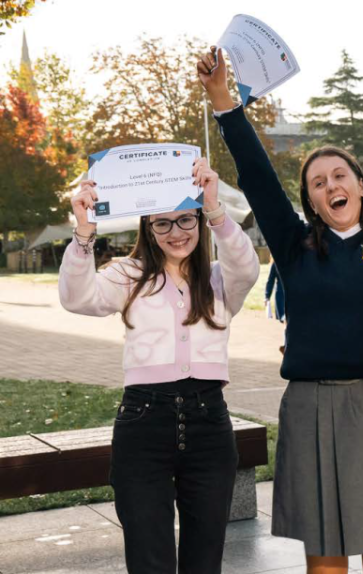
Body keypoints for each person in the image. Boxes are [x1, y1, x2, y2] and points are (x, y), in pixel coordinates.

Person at [198, 45, 363, 573]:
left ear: (359, 184)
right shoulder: (296, 246)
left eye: (340, 175)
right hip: (311, 412)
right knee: (326, 560)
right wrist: (222, 99)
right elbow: (258, 178)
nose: (331, 185)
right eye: (318, 182)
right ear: (310, 200)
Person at [59, 158, 259, 573]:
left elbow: (248, 265)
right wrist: (83, 233)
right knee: (150, 557)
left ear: (199, 221)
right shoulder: (129, 275)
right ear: (147, 229)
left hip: (209, 422)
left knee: (204, 559)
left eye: (186, 219)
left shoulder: (221, 279)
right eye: (162, 223)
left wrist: (215, 210)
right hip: (143, 423)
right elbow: (76, 297)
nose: (176, 232)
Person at [264, 256, 287, 353]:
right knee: (287, 322)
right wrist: (267, 296)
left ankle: (287, 346)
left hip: (291, 297)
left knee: (288, 322)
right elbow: (271, 280)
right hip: (282, 298)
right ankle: (287, 346)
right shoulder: (276, 263)